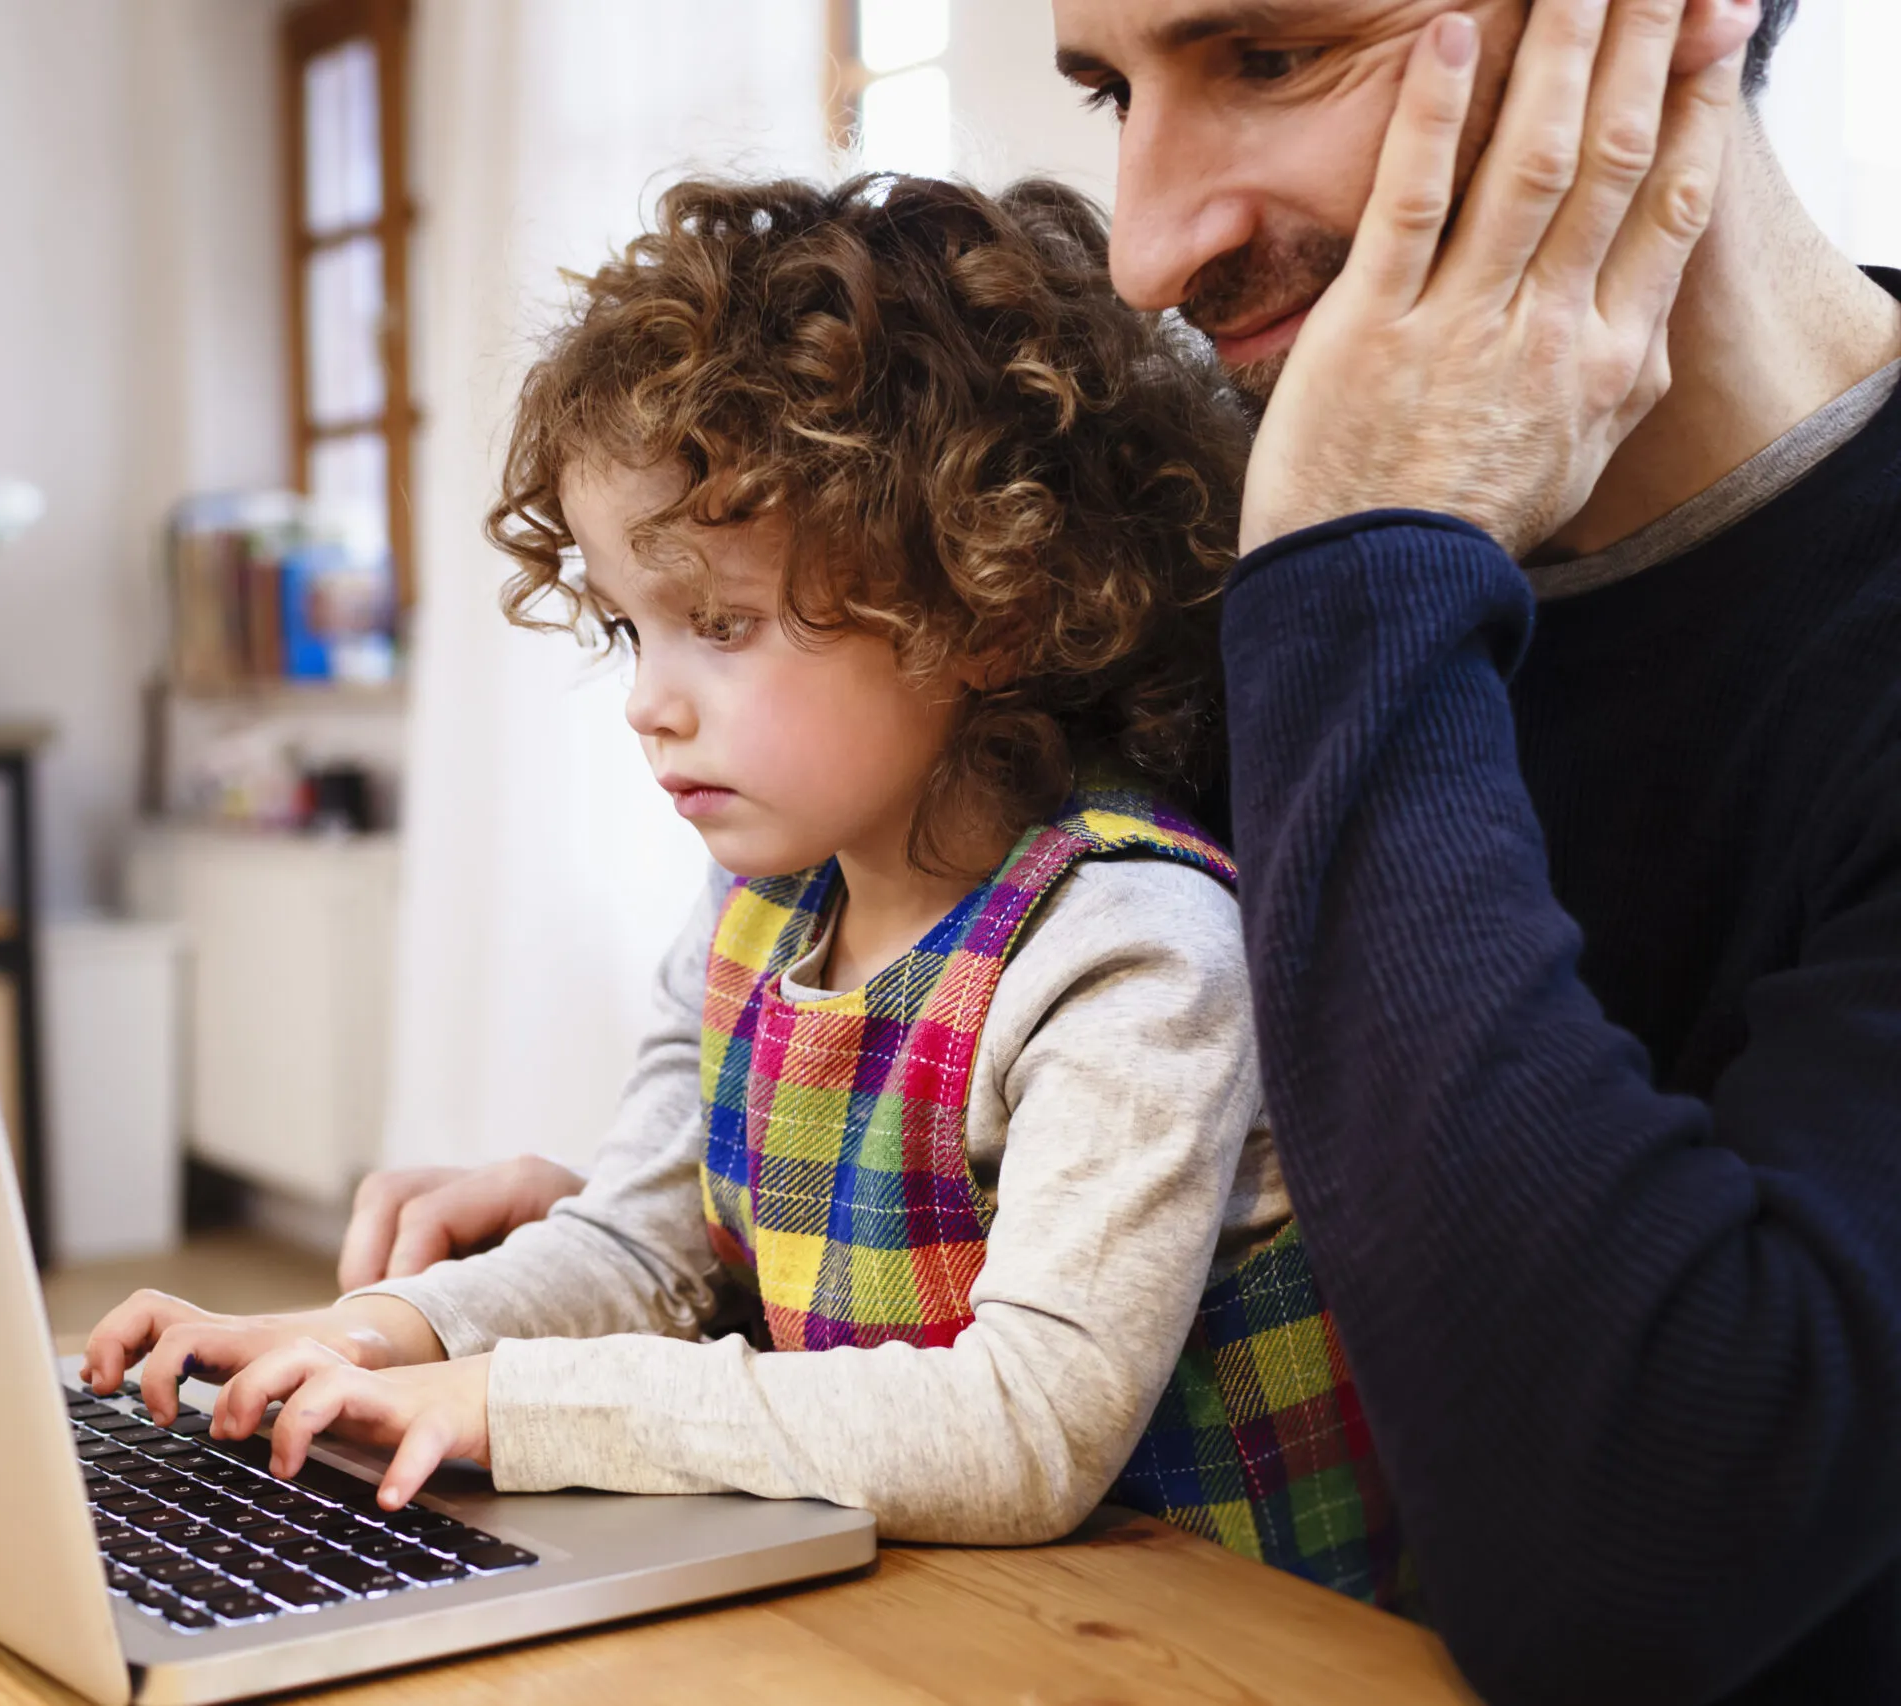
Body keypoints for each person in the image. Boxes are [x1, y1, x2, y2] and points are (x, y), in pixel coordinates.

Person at [345, 1, 1901, 1700]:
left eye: (1273, 56)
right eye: (1109, 86)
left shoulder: (1317, 576)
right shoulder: (1187, 572)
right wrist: (704, 1252)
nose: (1148, 254)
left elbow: (1636, 1567)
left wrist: (1368, 570)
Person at [87, 174, 1413, 1597]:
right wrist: (373, 1337)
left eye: (719, 621)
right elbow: (641, 1245)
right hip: (923, 1612)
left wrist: (515, 1406)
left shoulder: (1132, 950)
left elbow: (1029, 1426)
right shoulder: (760, 909)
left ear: (988, 601)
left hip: (1190, 1644)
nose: (649, 703)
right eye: (629, 625)